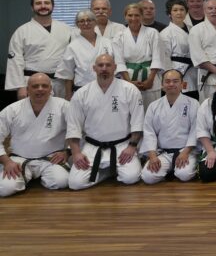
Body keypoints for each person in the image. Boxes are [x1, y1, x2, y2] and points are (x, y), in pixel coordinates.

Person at [66, 54, 144, 190]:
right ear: (94, 68)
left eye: (108, 65)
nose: (104, 68)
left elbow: (138, 121)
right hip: (92, 147)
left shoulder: (130, 89)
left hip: (122, 146)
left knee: (131, 178)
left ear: (115, 67)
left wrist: (132, 146)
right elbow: (73, 126)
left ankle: (108, 170)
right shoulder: (82, 93)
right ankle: (107, 173)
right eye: (100, 65)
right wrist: (76, 153)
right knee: (75, 184)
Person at [0, 74, 69, 197]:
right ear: (27, 89)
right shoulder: (12, 109)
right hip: (19, 159)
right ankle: (26, 175)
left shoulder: (64, 106)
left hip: (51, 159)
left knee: (61, 181)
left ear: (51, 89)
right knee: (5, 188)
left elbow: (79, 131)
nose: (40, 89)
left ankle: (34, 176)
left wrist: (67, 152)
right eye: (35, 86)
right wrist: (7, 162)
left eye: (44, 86)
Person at [6, 0, 73, 100]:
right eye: (38, 3)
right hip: (32, 82)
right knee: (33, 110)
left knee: (59, 110)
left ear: (53, 6)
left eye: (47, 3)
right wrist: (20, 87)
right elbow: (15, 60)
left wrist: (70, 88)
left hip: (60, 83)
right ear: (32, 7)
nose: (43, 6)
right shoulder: (22, 31)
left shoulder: (66, 29)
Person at [139, 69, 199, 184]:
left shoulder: (193, 103)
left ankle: (183, 166)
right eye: (167, 81)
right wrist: (152, 156)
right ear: (162, 85)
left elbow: (195, 130)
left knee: (184, 174)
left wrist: (186, 152)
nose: (171, 84)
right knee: (148, 177)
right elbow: (149, 132)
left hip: (185, 151)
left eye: (175, 81)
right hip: (163, 153)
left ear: (182, 84)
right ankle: (170, 169)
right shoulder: (154, 106)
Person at [112, 2, 165, 110]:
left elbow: (157, 58)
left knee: (152, 110)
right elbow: (119, 61)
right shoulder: (119, 36)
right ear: (125, 17)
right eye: (130, 15)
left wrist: (150, 81)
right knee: (129, 111)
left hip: (150, 76)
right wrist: (129, 82)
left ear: (142, 16)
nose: (133, 18)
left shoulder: (152, 33)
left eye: (137, 15)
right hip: (127, 77)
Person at [57, 10, 114, 100]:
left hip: (107, 88)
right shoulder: (72, 46)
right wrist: (68, 94)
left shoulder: (107, 42)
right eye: (82, 21)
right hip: (82, 89)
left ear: (95, 22)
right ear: (77, 24)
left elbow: (114, 66)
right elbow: (67, 73)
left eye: (89, 20)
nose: (86, 23)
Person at [160, 0, 198, 99]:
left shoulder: (193, 30)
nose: (179, 13)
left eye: (182, 10)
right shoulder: (166, 33)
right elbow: (165, 58)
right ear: (169, 14)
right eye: (175, 10)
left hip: (193, 71)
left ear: (186, 12)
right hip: (176, 71)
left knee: (193, 99)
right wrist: (169, 78)